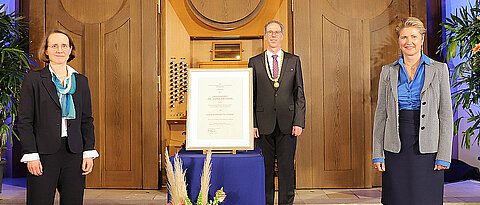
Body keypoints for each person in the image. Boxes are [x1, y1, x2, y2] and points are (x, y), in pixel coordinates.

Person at [372, 17, 453, 205]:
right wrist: (378, 153)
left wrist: (443, 155)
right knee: (397, 198)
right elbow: (381, 115)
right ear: (399, 41)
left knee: (426, 199)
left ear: (422, 39)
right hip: (395, 143)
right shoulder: (387, 71)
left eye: (414, 37)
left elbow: (446, 116)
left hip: (429, 146)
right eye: (404, 37)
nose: (409, 42)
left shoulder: (439, 70)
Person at [17, 29, 99, 205]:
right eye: (54, 46)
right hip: (43, 153)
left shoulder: (81, 81)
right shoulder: (33, 80)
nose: (59, 50)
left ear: (70, 50)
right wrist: (31, 154)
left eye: (64, 46)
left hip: (74, 153)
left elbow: (86, 120)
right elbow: (24, 121)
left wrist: (88, 152)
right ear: (46, 51)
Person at [249, 20, 306, 205]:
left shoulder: (293, 60)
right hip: (263, 124)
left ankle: (286, 202)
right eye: (269, 32)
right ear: (265, 36)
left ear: (282, 35)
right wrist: (253, 124)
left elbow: (299, 93)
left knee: (286, 168)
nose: (273, 35)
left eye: (276, 32)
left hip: (288, 124)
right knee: (265, 169)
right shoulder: (255, 62)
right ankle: (266, 202)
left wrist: (299, 121)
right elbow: (251, 95)